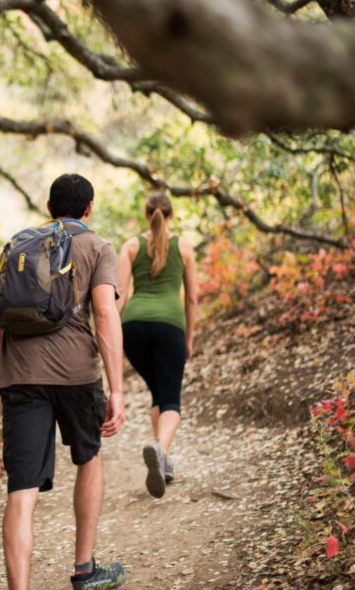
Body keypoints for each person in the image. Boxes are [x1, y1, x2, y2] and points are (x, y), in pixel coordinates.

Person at [0, 173, 127, 590]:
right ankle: (84, 570)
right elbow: (105, 315)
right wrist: (117, 388)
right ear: (89, 209)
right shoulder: (97, 246)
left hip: (20, 377)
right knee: (89, 459)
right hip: (76, 375)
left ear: (49, 209)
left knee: (21, 490)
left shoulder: (18, 245)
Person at [116, 192, 198, 498]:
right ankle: (161, 450)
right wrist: (189, 338)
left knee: (158, 395)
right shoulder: (185, 247)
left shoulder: (131, 246)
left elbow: (120, 294)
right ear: (171, 215)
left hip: (133, 328)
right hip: (169, 327)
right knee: (172, 401)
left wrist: (109, 334)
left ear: (147, 214)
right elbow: (191, 298)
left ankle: (162, 465)